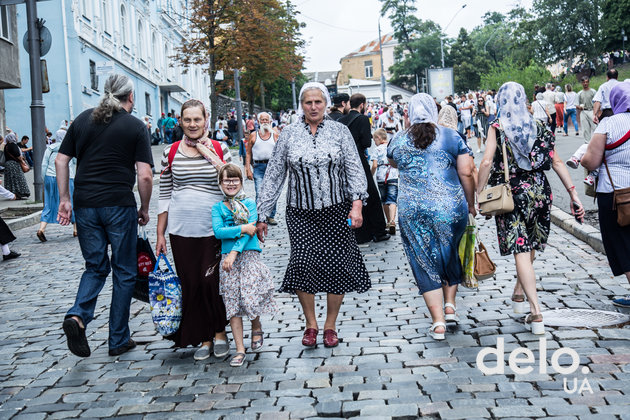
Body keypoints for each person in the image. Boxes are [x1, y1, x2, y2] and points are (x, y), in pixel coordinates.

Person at [255, 82, 370, 348]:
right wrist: (263, 213)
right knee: (303, 262)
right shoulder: (289, 134)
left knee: (337, 266)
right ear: (301, 105)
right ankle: (311, 324)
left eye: (318, 102)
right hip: (300, 211)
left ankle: (330, 325)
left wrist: (357, 205)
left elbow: (354, 168)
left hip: (336, 209)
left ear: (326, 103)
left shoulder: (340, 131)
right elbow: (273, 175)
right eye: (308, 102)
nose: (313, 107)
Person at [56, 73, 153, 357]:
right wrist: (144, 208)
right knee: (124, 271)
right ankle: (118, 339)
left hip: (85, 204)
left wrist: (64, 199)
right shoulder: (135, 126)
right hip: (118, 205)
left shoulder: (83, 119)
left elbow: (62, 160)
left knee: (95, 266)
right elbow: (145, 175)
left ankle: (77, 316)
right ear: (130, 97)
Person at [477, 82, 584, 335]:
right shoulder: (539, 125)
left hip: (511, 193)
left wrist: (479, 195)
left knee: (521, 249)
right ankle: (518, 292)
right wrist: (573, 193)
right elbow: (556, 161)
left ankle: (536, 312)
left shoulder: (497, 126)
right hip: (539, 190)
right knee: (530, 243)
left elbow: (486, 161)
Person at [387, 93, 475, 341]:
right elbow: (466, 172)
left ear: (409, 114)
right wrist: (471, 203)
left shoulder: (399, 139)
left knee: (423, 260)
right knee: (449, 253)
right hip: (450, 207)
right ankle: (450, 306)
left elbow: (393, 162)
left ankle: (437, 322)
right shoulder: (451, 135)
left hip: (413, 210)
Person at [156, 99, 232, 361]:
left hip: (214, 230)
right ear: (180, 121)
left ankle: (220, 332)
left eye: (196, 119)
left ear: (206, 120)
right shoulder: (171, 151)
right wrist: (160, 233)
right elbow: (164, 192)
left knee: (212, 282)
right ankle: (204, 337)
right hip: (181, 229)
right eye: (187, 120)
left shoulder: (220, 149)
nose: (192, 124)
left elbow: (233, 188)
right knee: (192, 284)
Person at [212, 163, 277, 367]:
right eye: (226, 180)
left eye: (235, 180)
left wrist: (233, 251)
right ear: (220, 183)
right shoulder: (218, 208)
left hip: (247, 255)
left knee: (249, 296)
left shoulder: (249, 204)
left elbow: (250, 233)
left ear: (241, 182)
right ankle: (240, 349)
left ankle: (256, 324)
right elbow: (218, 232)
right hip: (227, 260)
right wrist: (242, 227)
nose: (231, 184)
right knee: (232, 302)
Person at [582, 82, 630, 308]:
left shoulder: (608, 124)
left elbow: (591, 161)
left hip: (615, 194)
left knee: (620, 242)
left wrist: (583, 158)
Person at [339, 93, 390, 244]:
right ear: (362, 105)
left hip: (344, 161)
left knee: (352, 196)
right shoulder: (362, 119)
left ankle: (359, 233)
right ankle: (379, 231)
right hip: (359, 159)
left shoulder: (342, 120)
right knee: (371, 195)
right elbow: (367, 143)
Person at [37, 129, 77, 242]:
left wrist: (44, 178)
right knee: (71, 201)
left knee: (48, 204)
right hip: (67, 177)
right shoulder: (71, 147)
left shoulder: (50, 148)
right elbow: (74, 163)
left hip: (50, 176)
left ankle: (41, 229)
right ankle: (75, 229)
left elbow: (44, 164)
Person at [245, 112, 279, 226]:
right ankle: (259, 216)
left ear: (270, 121)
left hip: (272, 167)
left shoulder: (275, 135)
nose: (264, 122)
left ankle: (270, 216)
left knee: (272, 192)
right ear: (258, 122)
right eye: (262, 120)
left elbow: (280, 153)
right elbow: (248, 153)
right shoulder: (254, 135)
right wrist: (248, 169)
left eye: (266, 120)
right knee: (259, 192)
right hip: (258, 167)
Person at [371, 128, 398, 234]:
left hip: (381, 177)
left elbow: (374, 165)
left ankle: (387, 221)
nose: (375, 142)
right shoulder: (392, 147)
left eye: (374, 140)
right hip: (393, 175)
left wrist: (371, 175)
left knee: (384, 200)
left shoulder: (377, 150)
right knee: (392, 199)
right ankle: (392, 221)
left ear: (378, 138)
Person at [1, 133, 30, 199]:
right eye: (15, 137)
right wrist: (22, 160)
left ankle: (12, 193)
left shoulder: (6, 146)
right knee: (18, 179)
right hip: (14, 165)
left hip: (8, 164)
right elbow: (18, 155)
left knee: (10, 180)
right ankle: (19, 193)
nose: (17, 138)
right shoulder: (13, 145)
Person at [577, 76, 597, 144]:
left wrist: (596, 112)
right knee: (585, 129)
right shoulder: (579, 93)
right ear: (582, 83)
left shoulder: (593, 91)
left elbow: (596, 102)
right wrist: (579, 107)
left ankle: (596, 142)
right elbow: (577, 104)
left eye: (586, 82)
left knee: (595, 127)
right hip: (583, 111)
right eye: (584, 82)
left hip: (592, 110)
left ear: (588, 82)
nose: (585, 83)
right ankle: (587, 143)